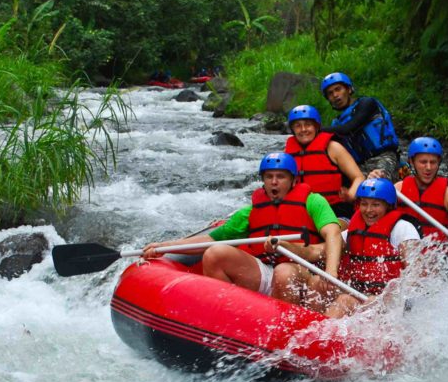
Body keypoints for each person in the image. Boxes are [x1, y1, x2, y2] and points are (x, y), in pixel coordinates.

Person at [142, 152, 343, 307]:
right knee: (214, 253)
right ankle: (232, 316)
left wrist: (331, 272)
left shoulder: (313, 201)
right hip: (265, 271)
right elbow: (210, 240)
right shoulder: (250, 212)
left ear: (293, 180)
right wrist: (163, 247)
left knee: (283, 272)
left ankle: (282, 331)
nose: (274, 182)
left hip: (302, 272)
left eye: (280, 177)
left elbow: (333, 233)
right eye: (269, 176)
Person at [323, 178, 421, 318]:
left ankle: (320, 334)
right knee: (316, 283)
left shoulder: (403, 229)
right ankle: (312, 325)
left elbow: (415, 276)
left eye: (376, 205)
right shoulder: (353, 231)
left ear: (388, 206)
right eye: (364, 204)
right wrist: (287, 246)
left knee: (344, 301)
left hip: (391, 306)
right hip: (361, 296)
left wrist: (385, 299)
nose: (369, 210)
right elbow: (317, 251)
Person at [385, 136, 448, 254]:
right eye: (423, 162)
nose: (428, 168)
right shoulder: (398, 189)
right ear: (412, 162)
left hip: (437, 254)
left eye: (433, 162)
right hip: (406, 251)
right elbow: (378, 212)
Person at [284, 104, 365, 224]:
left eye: (308, 124)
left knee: (331, 231)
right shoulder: (287, 154)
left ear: (316, 126)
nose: (303, 129)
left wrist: (351, 195)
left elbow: (359, 177)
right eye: (297, 126)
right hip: (302, 210)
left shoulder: (333, 148)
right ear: (292, 129)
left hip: (335, 211)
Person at [319, 72, 400, 180]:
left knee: (376, 183)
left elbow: (348, 128)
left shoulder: (367, 103)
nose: (335, 95)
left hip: (384, 157)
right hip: (360, 166)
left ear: (349, 89)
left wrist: (315, 129)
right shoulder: (336, 124)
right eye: (330, 93)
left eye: (338, 89)